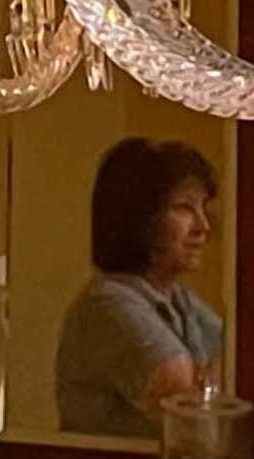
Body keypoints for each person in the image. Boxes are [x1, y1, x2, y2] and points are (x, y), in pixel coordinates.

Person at [54, 137, 227, 443]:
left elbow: (241, 369)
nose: (203, 226)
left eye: (203, 207)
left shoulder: (178, 297)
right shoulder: (107, 304)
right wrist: (204, 382)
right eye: (184, 207)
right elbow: (192, 411)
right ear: (140, 216)